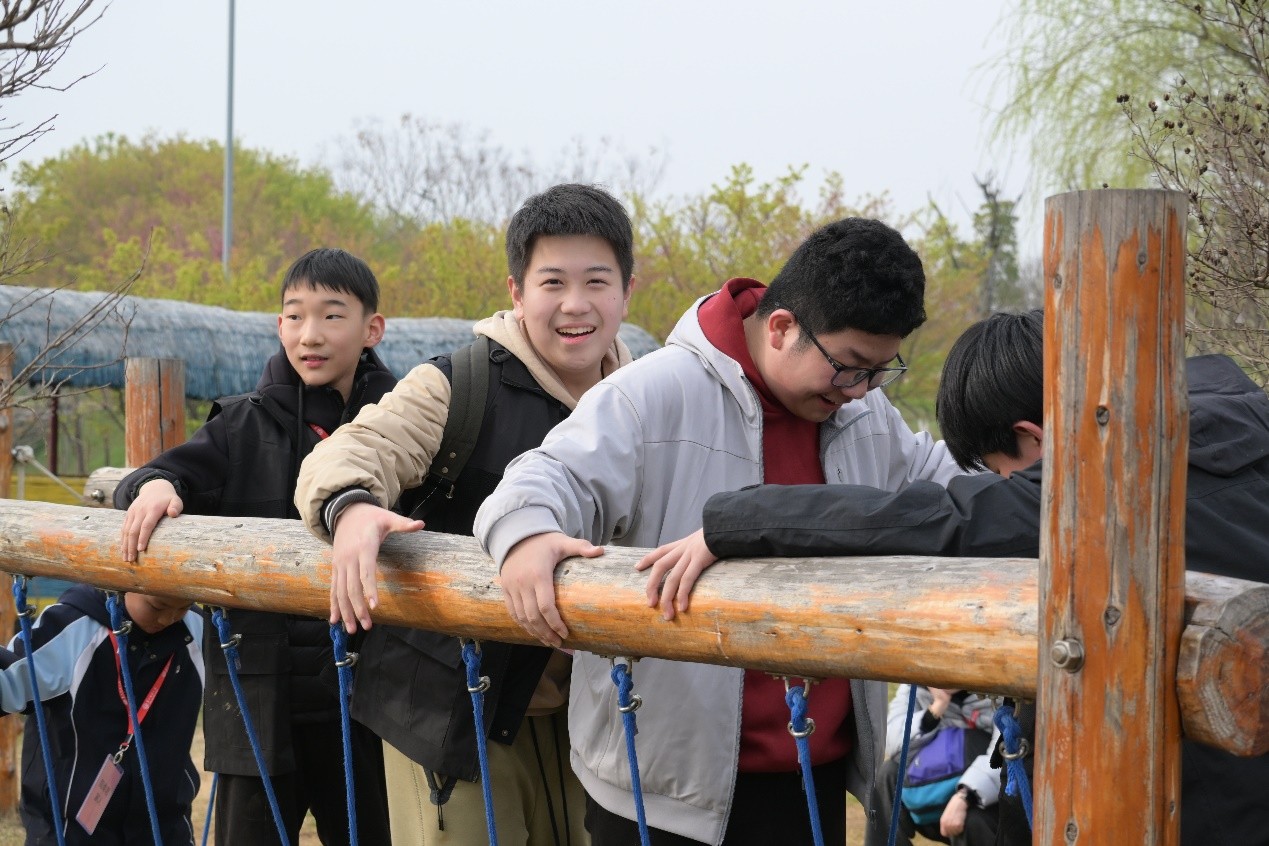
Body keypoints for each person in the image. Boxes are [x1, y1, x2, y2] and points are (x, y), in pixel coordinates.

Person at [654, 309, 1269, 846]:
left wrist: (728, 524)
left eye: (1005, 475)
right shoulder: (1246, 417)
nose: (1011, 490)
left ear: (1035, 439)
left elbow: (920, 520)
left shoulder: (1095, 482)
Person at [474, 217, 965, 845]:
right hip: (662, 791)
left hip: (810, 777)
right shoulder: (653, 393)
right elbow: (545, 477)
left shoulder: (863, 410)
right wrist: (524, 536)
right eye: (849, 367)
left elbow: (948, 485)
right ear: (782, 328)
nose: (862, 389)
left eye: (879, 370)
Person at [293, 183, 636, 845]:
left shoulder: (642, 400)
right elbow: (350, 452)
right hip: (451, 709)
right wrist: (352, 509)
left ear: (626, 291)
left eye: (596, 281)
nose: (575, 304)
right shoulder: (460, 383)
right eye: (552, 282)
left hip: (587, 714)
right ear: (516, 292)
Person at [114, 248, 394, 846]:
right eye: (295, 316)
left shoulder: (398, 427)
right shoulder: (241, 424)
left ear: (372, 329)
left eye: (332, 315)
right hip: (258, 696)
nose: (310, 334)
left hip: (371, 703)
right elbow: (157, 476)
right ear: (279, 325)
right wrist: (156, 485)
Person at [0, 586, 202, 845]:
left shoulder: (197, 629)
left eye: (182, 608)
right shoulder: (72, 628)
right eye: (157, 607)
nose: (168, 618)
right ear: (122, 582)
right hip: (69, 829)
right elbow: (11, 680)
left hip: (165, 828)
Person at [865, 686, 997, 846]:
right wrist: (936, 709)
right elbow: (893, 744)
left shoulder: (1001, 692)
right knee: (888, 773)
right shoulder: (914, 686)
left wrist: (965, 795)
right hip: (935, 793)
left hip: (985, 800)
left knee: (975, 820)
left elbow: (1004, 755)